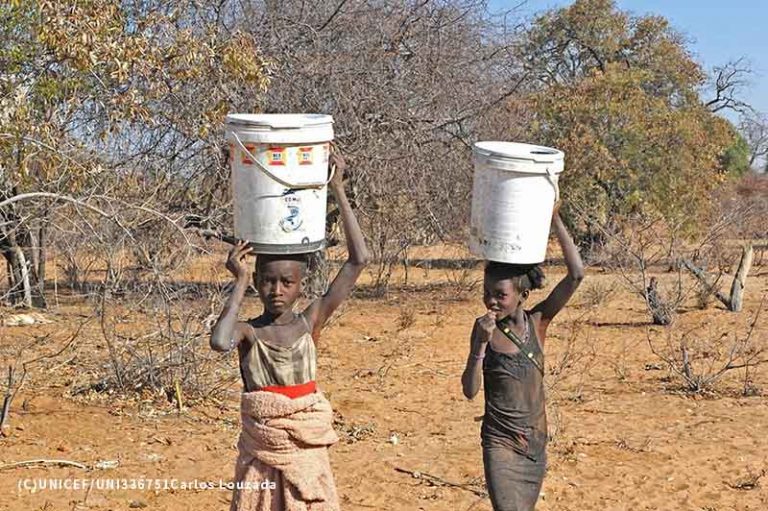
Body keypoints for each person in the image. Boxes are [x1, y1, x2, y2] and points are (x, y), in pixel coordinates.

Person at [210, 151, 369, 511]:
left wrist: (338, 190)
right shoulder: (249, 332)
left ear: (301, 285)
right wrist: (240, 280)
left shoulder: (309, 321)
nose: (276, 291)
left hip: (306, 446)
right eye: (266, 282)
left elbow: (359, 260)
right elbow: (219, 342)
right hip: (263, 448)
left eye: (286, 282)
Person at [461, 202, 584, 511]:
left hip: (535, 445)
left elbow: (576, 275)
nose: (491, 300)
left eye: (500, 295)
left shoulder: (538, 323)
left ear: (522, 296)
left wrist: (554, 218)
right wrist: (478, 346)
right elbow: (470, 390)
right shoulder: (486, 334)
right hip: (500, 445)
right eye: (487, 292)